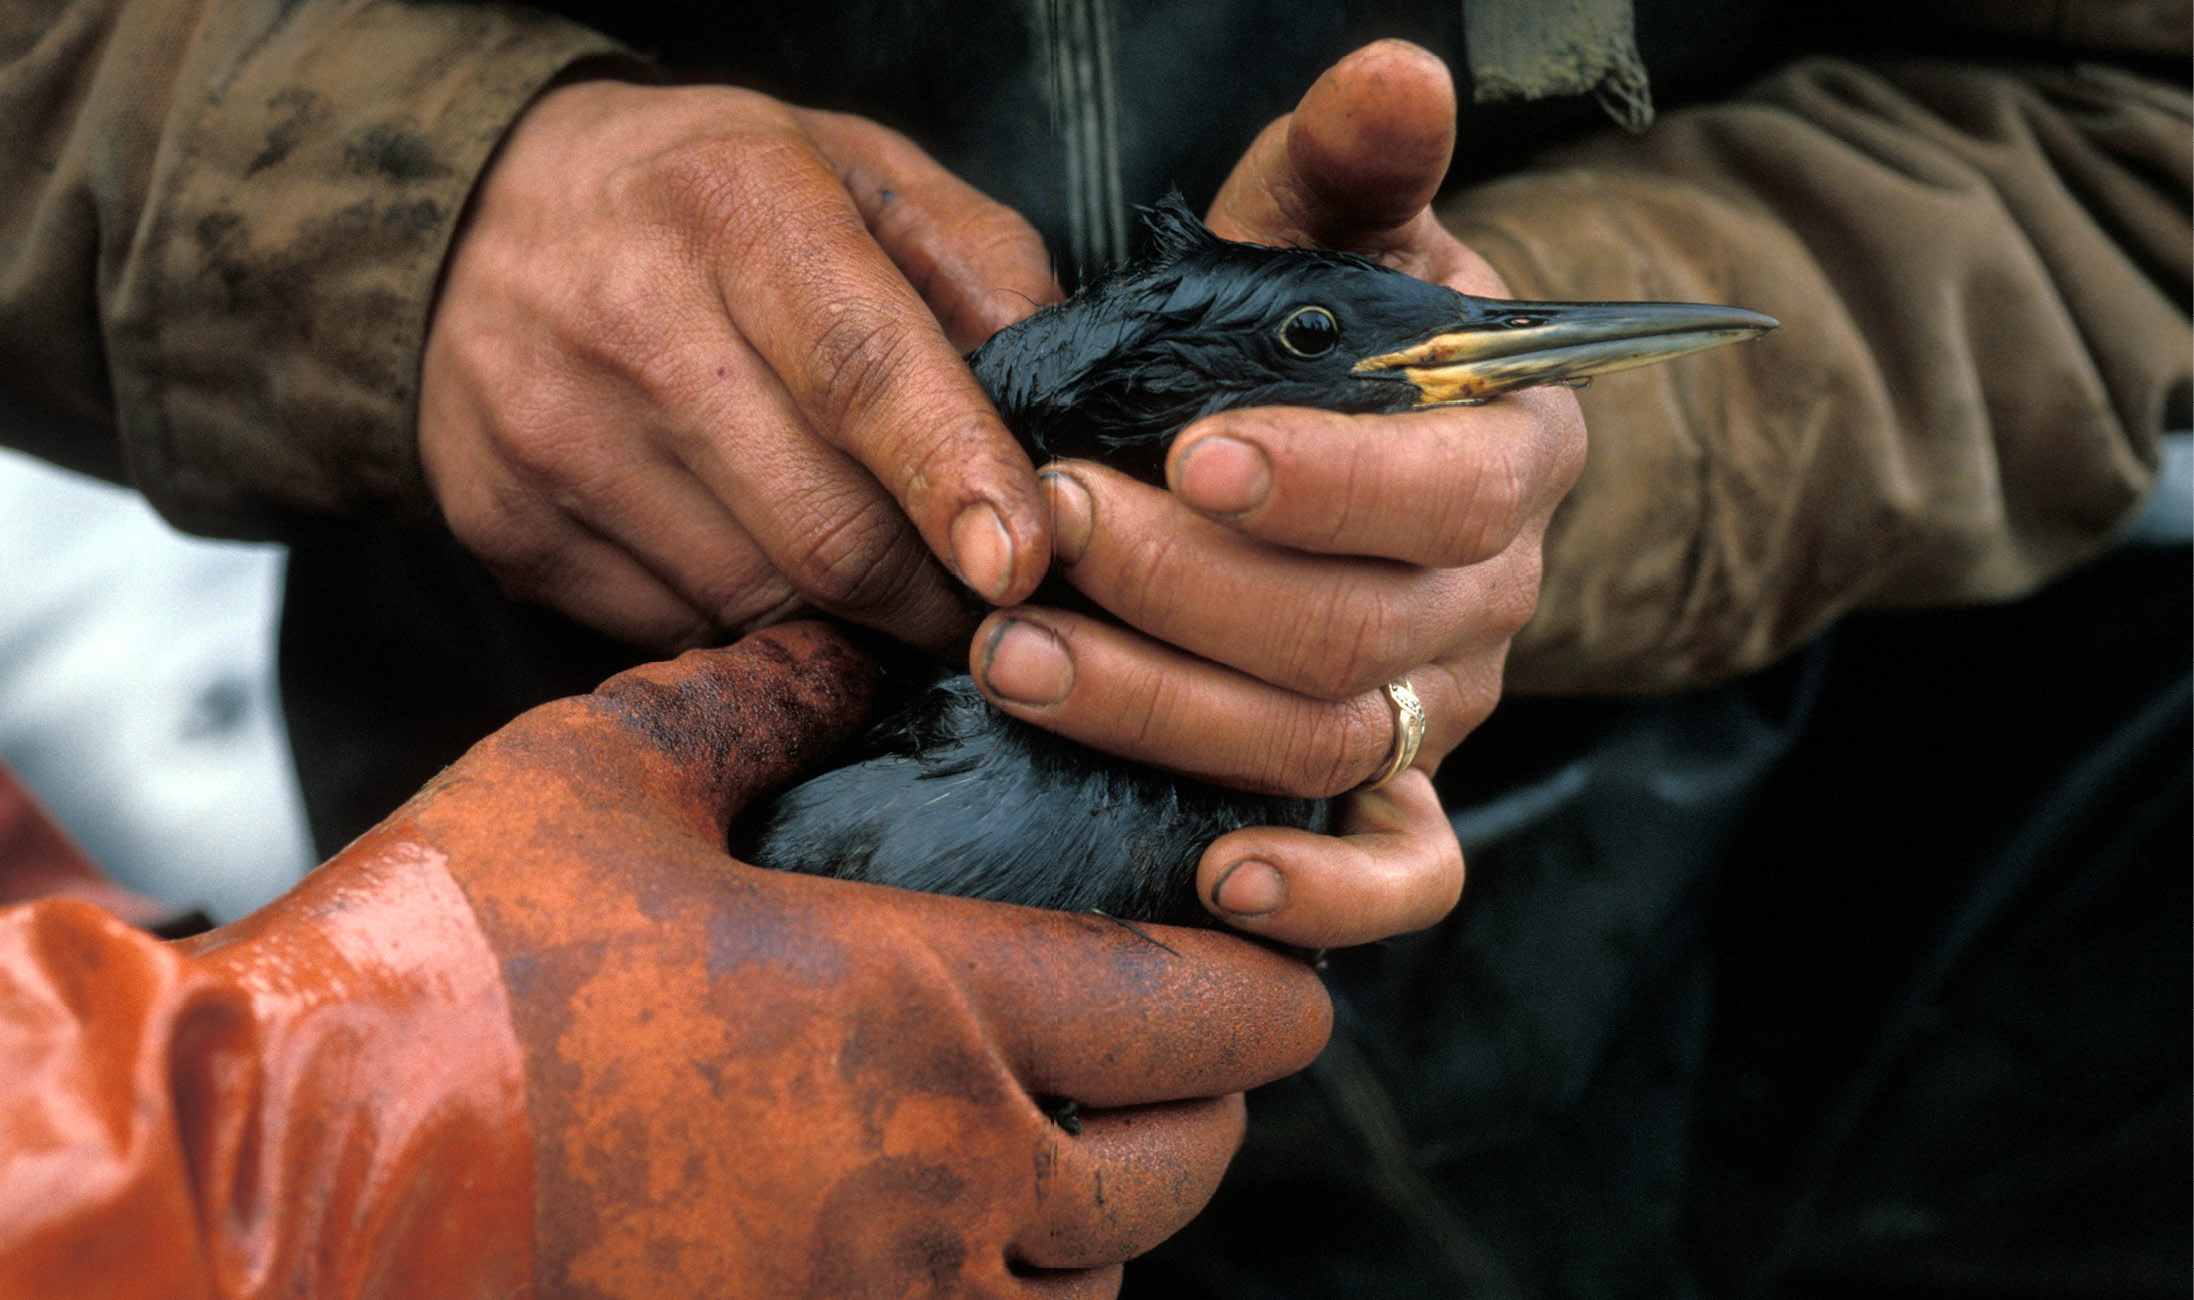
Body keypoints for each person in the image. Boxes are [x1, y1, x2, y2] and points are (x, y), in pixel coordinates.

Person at [2, 0, 2187, 1293]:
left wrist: (1517, 493)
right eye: (1365, 354)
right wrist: (395, 219)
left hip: (1696, 953)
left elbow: (2123, 123)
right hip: (586, 988)